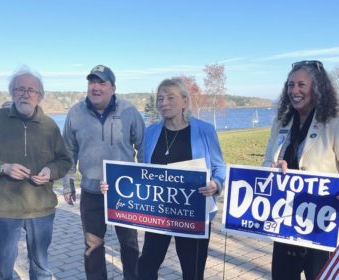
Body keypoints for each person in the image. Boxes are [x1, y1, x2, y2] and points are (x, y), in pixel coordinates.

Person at [136, 78, 226, 280]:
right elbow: (141, 169)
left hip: (193, 213)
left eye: (170, 97)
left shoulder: (205, 130)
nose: (163, 103)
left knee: (192, 271)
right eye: (160, 98)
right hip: (158, 211)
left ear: (185, 101)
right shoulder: (150, 132)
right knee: (146, 266)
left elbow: (220, 167)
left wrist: (216, 184)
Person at [62, 65, 145, 280]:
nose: (95, 87)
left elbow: (142, 147)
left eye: (102, 82)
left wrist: (143, 182)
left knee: (129, 244)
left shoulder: (129, 111)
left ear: (113, 87)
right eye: (92, 82)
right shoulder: (75, 113)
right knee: (93, 246)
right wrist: (68, 184)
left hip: (125, 194)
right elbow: (68, 151)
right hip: (91, 192)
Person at [0, 67, 72, 279]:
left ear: (40, 96)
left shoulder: (50, 125)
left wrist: (50, 171)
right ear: (12, 92)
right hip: (5, 209)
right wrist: (2, 167)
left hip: (41, 210)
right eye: (20, 89)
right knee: (0, 269)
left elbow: (64, 160)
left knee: (41, 269)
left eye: (32, 90)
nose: (26, 94)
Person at [262, 60, 339, 280]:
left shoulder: (334, 122)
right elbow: (266, 162)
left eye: (301, 85)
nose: (294, 91)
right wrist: (273, 167)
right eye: (290, 85)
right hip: (284, 223)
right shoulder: (280, 122)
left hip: (321, 227)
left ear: (317, 88)